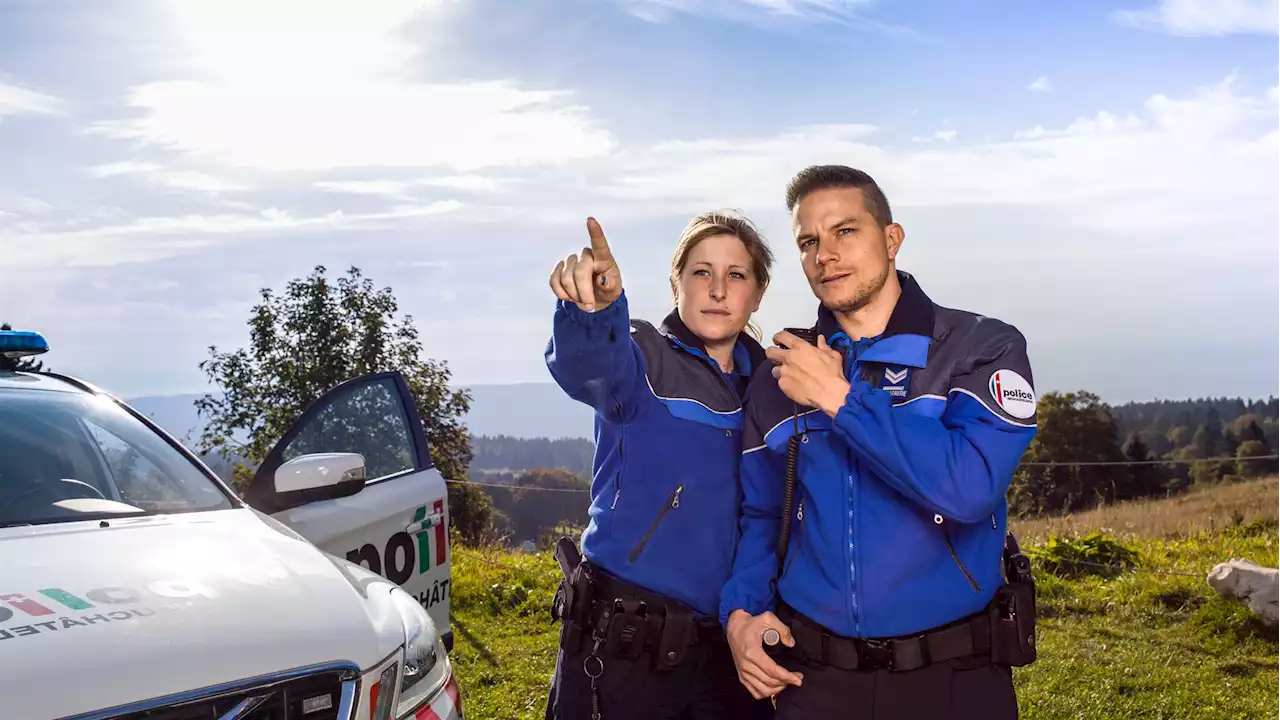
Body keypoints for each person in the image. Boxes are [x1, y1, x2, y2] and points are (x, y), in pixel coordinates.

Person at [719, 165, 1040, 719]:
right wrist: (741, 615)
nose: (826, 254)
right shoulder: (782, 374)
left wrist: (840, 399)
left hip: (953, 678)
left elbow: (968, 488)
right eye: (808, 241)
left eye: (845, 231)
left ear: (891, 239)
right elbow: (763, 515)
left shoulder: (980, 348)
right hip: (813, 681)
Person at [543, 212, 778, 720]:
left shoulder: (773, 390)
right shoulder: (643, 358)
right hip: (624, 649)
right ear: (677, 283)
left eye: (736, 275)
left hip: (730, 651)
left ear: (757, 294)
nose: (717, 288)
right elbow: (587, 366)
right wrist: (592, 313)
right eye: (701, 272)